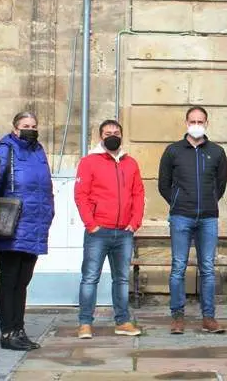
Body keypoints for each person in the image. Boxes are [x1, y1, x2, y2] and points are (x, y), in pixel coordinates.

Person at [0, 111, 55, 351]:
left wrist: (49, 213)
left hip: (34, 225)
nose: (30, 129)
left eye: (34, 125)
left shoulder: (38, 151)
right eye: (25, 125)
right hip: (12, 225)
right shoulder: (6, 149)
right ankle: (7, 331)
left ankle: (19, 329)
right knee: (10, 280)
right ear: (15, 128)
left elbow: (46, 187)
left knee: (23, 281)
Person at [158, 106, 227, 335]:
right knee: (178, 267)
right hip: (181, 217)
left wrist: (208, 201)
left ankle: (209, 317)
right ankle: (177, 316)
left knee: (207, 268)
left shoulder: (217, 152)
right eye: (192, 120)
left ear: (207, 123)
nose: (196, 124)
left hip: (208, 218)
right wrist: (179, 202)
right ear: (186, 122)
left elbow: (220, 185)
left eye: (200, 121)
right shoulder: (173, 151)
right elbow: (163, 184)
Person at [75, 119, 145, 339]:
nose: (112, 135)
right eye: (107, 133)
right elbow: (81, 195)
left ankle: (123, 322)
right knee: (90, 278)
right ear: (100, 137)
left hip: (124, 231)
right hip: (98, 231)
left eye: (116, 132)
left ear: (121, 135)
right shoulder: (88, 162)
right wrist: (91, 224)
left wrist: (134, 222)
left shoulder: (131, 163)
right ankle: (85, 323)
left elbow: (138, 194)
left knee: (122, 279)